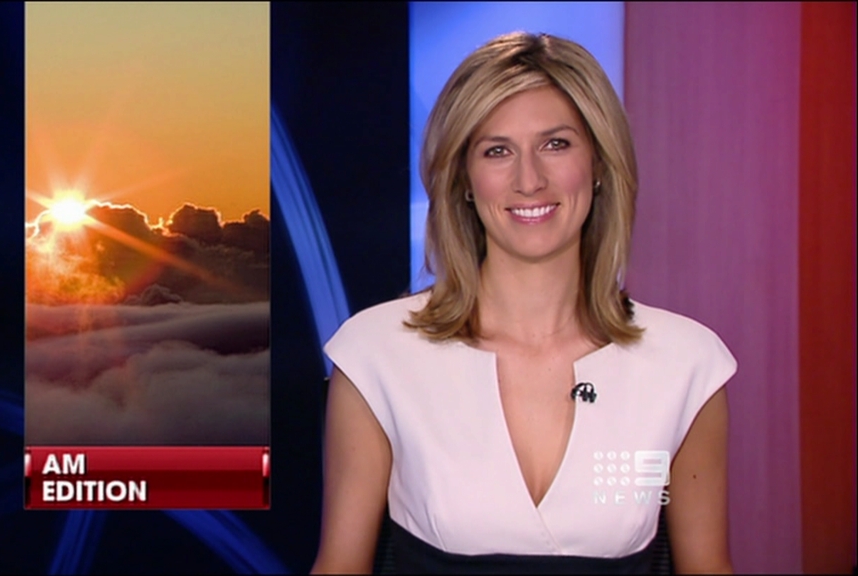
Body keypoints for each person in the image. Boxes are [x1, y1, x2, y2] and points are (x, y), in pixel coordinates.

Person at [311, 31, 737, 574]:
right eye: (497, 151)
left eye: (555, 144)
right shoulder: (376, 354)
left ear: (599, 164)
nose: (529, 180)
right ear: (464, 180)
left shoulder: (686, 364)